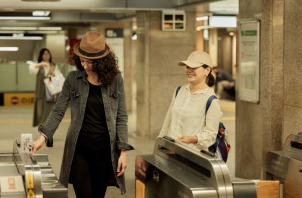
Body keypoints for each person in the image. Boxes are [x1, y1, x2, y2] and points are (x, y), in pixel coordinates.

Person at [32, 31, 133, 198]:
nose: (85, 66)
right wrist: (43, 137)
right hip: (79, 149)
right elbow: (58, 110)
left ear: (102, 62)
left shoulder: (116, 80)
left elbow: (121, 117)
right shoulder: (73, 79)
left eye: (90, 62)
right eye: (82, 60)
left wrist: (123, 152)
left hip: (104, 151)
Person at [158, 51, 222, 151]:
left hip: (191, 156)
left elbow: (211, 134)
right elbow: (167, 121)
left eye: (194, 67)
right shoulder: (179, 91)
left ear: (207, 70)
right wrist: (158, 146)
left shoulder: (211, 100)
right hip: (170, 152)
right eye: (187, 67)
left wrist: (194, 139)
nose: (189, 70)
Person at [29, 48, 61, 127]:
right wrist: (41, 64)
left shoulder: (53, 65)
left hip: (51, 93)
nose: (46, 55)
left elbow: (59, 78)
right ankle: (42, 128)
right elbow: (31, 69)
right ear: (41, 55)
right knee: (40, 111)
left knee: (49, 111)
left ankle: (46, 130)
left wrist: (52, 72)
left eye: (48, 53)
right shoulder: (38, 66)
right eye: (44, 54)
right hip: (40, 93)